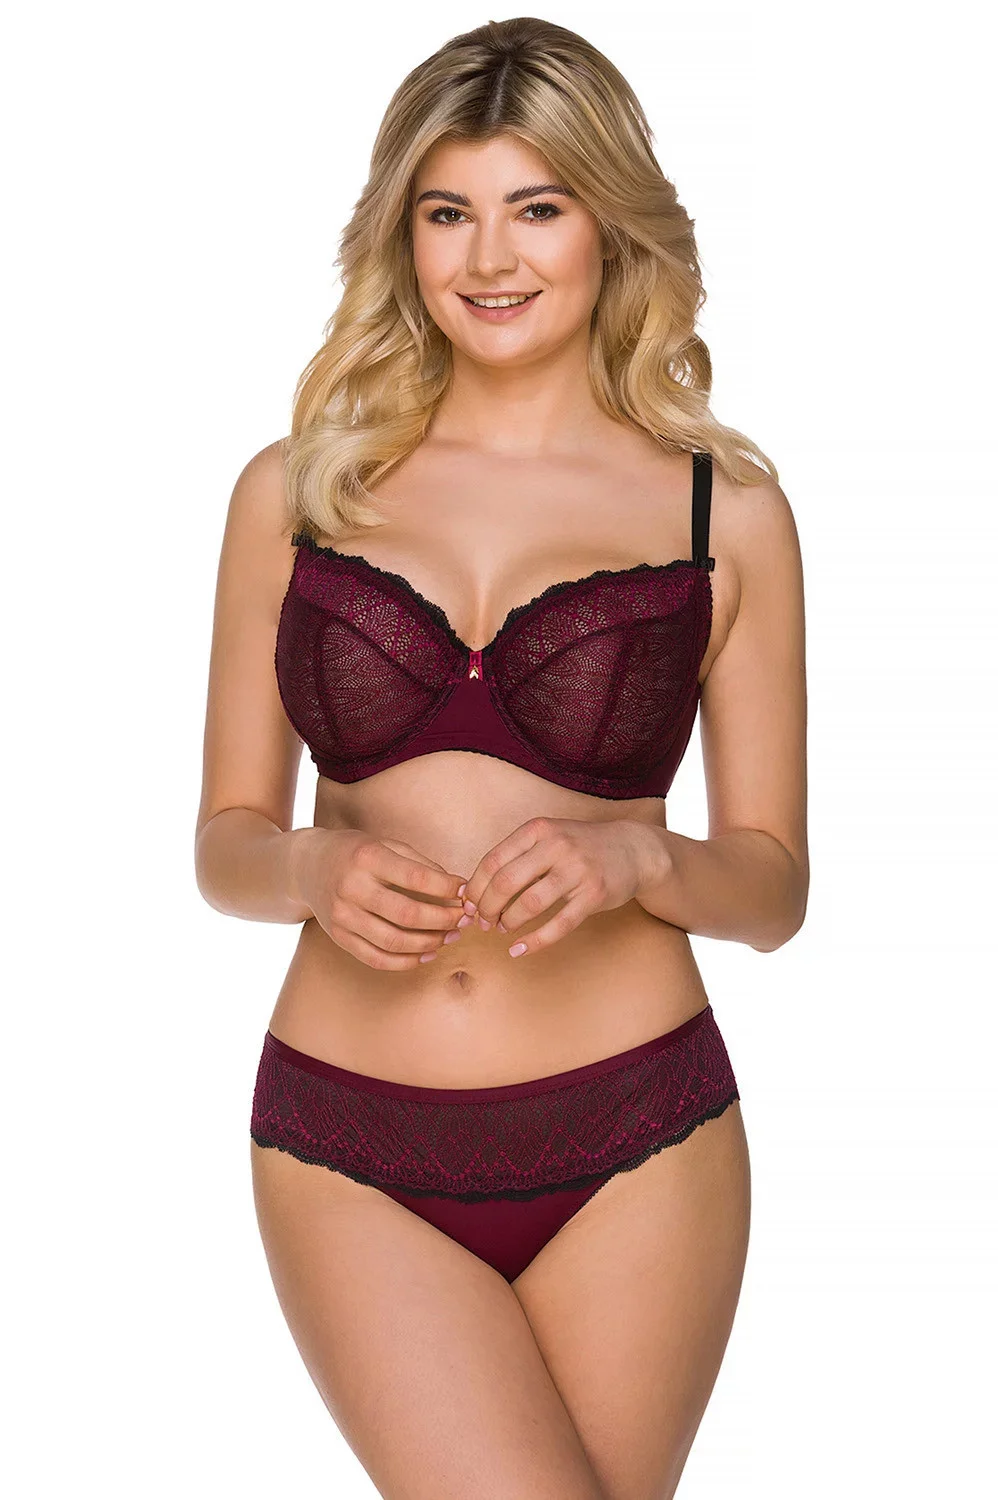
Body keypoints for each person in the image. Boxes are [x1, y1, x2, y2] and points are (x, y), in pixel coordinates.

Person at [195, 17, 808, 1500]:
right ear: (400, 234)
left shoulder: (723, 512)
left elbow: (775, 888)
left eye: (536, 207)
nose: (489, 258)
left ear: (610, 223)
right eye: (446, 212)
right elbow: (223, 843)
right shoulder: (296, 490)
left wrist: (643, 856)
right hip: (347, 1136)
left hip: (639, 1137)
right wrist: (307, 867)